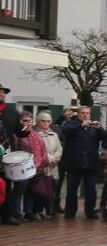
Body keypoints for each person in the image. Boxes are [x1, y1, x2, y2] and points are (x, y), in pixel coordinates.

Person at [60, 106, 105, 220]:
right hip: (74, 162)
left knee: (91, 190)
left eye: (87, 113)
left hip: (90, 162)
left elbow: (104, 138)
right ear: (78, 114)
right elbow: (65, 132)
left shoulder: (93, 127)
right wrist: (81, 125)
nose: (85, 115)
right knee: (71, 189)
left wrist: (100, 128)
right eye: (83, 113)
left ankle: (90, 211)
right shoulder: (72, 124)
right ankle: (70, 211)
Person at [0, 83, 27, 225]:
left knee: (8, 185)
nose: (2, 94)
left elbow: (19, 132)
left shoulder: (12, 113)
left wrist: (26, 129)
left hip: (6, 155)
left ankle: (7, 215)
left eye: (3, 92)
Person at [15, 111, 47, 221]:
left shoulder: (36, 135)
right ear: (20, 122)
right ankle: (17, 213)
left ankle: (29, 212)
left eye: (30, 121)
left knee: (31, 191)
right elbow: (15, 151)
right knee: (19, 191)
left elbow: (43, 151)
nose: (28, 123)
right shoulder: (18, 135)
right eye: (25, 121)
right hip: (22, 168)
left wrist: (40, 163)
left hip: (36, 168)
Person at [33, 112, 62, 218]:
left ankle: (49, 210)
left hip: (53, 167)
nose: (46, 123)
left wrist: (56, 158)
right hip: (42, 166)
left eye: (48, 121)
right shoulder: (35, 134)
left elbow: (59, 149)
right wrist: (49, 159)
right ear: (38, 121)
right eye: (43, 120)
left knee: (52, 189)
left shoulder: (54, 134)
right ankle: (38, 211)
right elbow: (39, 150)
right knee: (40, 190)